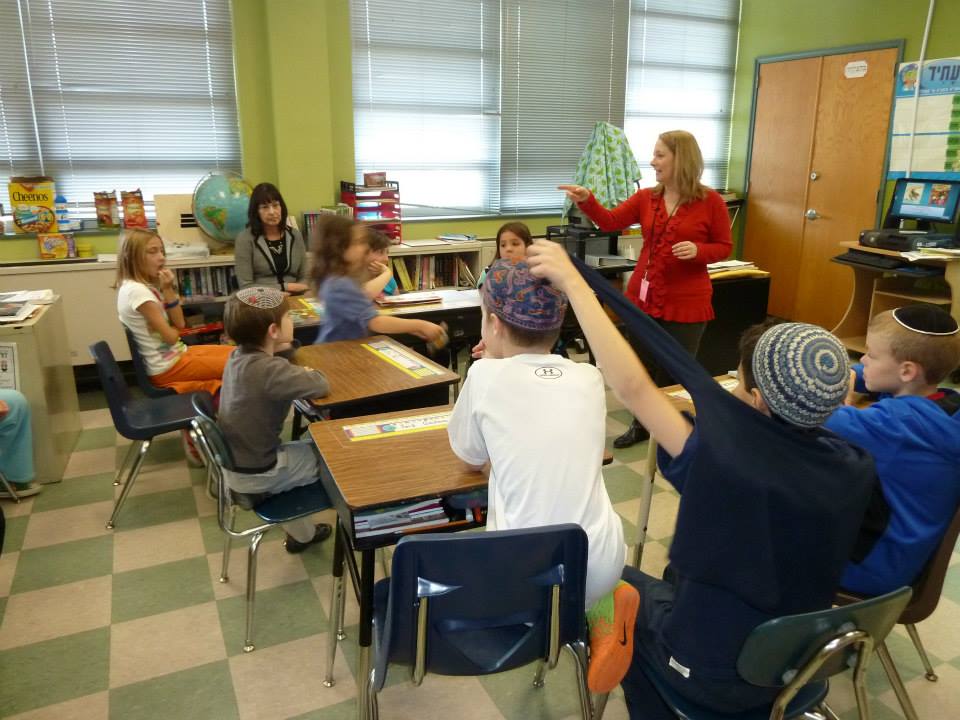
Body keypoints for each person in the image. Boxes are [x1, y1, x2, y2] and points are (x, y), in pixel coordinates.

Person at [526, 240, 877, 719]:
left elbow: (632, 387)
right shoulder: (854, 465)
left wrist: (573, 282)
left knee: (608, 579)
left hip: (708, 672)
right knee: (669, 583)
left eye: (738, 382)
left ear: (757, 399)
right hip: (797, 666)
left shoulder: (726, 463)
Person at [447, 259, 638, 694]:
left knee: (514, 571)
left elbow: (468, 456)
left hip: (523, 580)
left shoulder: (483, 374)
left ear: (493, 325)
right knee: (580, 558)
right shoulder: (588, 377)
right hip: (602, 560)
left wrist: (487, 368)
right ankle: (600, 606)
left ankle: (558, 622)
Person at [560, 130, 732, 448]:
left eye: (660, 155)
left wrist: (699, 251)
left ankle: (673, 432)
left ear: (681, 159)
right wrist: (587, 201)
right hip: (643, 298)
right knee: (641, 367)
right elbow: (610, 222)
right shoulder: (646, 198)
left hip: (687, 303)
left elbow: (724, 246)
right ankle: (641, 424)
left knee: (675, 372)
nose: (652, 161)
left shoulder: (711, 202)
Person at [826, 304, 960, 595]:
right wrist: (855, 374)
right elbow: (869, 376)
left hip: (869, 568)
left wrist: (842, 394)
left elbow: (817, 414)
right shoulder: (944, 403)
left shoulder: (897, 424)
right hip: (902, 557)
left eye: (871, 355)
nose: (863, 359)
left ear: (907, 371)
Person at [218, 286, 333, 552]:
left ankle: (302, 536)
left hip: (238, 466)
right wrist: (306, 372)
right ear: (273, 331)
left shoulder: (237, 356)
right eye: (289, 317)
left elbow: (278, 361)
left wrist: (284, 347)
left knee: (305, 447)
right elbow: (320, 384)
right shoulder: (270, 371)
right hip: (261, 472)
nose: (292, 321)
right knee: (333, 455)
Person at [116, 229, 234, 464]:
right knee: (239, 364)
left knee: (237, 354)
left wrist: (168, 288)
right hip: (168, 366)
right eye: (152, 252)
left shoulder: (143, 287)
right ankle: (200, 431)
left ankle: (199, 426)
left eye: (162, 251)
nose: (161, 257)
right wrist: (169, 327)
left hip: (177, 356)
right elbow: (172, 336)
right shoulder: (138, 293)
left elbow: (179, 324)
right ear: (132, 256)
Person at [311, 215, 445, 345]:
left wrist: (412, 328)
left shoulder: (338, 278)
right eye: (358, 242)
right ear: (340, 248)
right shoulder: (340, 284)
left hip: (344, 346)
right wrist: (419, 325)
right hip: (337, 350)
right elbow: (375, 322)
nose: (365, 247)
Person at [235, 183, 310, 293]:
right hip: (262, 299)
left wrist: (299, 289)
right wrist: (284, 287)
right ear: (256, 212)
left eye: (275, 205)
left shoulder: (295, 235)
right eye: (265, 207)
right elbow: (245, 286)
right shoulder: (245, 239)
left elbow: (306, 277)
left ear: (281, 207)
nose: (272, 212)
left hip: (295, 297)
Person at [0, 389, 40, 499]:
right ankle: (21, 481)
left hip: (3, 405)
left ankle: (7, 483)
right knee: (20, 441)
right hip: (14, 398)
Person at [476, 221, 534, 287]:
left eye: (515, 244)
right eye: (503, 245)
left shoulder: (537, 272)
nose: (508, 249)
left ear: (527, 246)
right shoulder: (488, 273)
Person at [363, 230, 399, 299]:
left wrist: (387, 274)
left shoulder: (387, 276)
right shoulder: (352, 281)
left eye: (387, 253)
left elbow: (397, 302)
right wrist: (387, 273)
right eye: (380, 252)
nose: (386, 259)